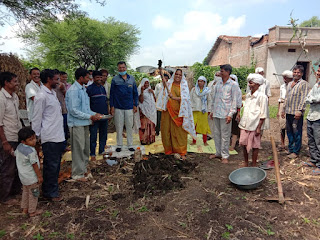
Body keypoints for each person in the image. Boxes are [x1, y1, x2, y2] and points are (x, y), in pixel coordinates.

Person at [32, 69, 65, 201]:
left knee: (56, 165)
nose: (58, 82)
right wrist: (35, 138)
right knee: (51, 165)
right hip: (49, 136)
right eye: (56, 79)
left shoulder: (52, 93)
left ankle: (52, 189)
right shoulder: (41, 96)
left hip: (58, 135)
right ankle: (49, 193)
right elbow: (36, 118)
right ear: (49, 79)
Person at [66, 68, 102, 181]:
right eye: (87, 77)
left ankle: (84, 169)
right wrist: (90, 116)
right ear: (80, 78)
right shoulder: (73, 91)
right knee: (78, 149)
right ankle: (77, 174)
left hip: (84, 123)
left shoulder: (82, 90)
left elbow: (86, 109)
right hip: (76, 124)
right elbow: (73, 111)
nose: (89, 79)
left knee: (85, 148)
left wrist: (95, 114)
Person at [156, 68, 196, 160]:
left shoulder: (184, 86)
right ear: (174, 75)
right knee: (166, 131)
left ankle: (181, 151)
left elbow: (186, 99)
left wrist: (174, 98)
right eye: (176, 74)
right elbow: (162, 96)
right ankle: (169, 150)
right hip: (167, 112)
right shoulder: (168, 84)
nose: (178, 76)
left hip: (179, 113)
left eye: (180, 75)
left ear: (182, 76)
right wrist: (167, 96)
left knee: (180, 133)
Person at [0, 72, 22, 205]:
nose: (17, 83)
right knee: (7, 168)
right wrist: (4, 142)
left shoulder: (14, 97)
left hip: (16, 135)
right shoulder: (1, 99)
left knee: (17, 166)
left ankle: (14, 192)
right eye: (14, 81)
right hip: (8, 137)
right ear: (6, 83)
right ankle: (5, 197)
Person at [209, 64, 238, 163]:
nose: (220, 73)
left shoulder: (233, 85)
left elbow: (234, 100)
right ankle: (218, 153)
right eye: (220, 71)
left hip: (226, 114)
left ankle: (225, 156)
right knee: (216, 134)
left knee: (225, 135)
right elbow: (214, 99)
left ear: (228, 72)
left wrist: (231, 114)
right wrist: (212, 111)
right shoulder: (218, 84)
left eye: (222, 71)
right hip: (216, 112)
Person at [239, 73, 268, 167]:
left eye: (251, 83)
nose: (249, 85)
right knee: (243, 144)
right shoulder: (248, 96)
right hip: (245, 123)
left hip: (255, 125)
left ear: (257, 84)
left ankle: (254, 163)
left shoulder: (262, 97)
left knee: (255, 146)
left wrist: (259, 127)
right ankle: (246, 162)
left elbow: (263, 114)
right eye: (249, 83)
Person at [110, 61, 138, 152]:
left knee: (129, 126)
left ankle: (130, 144)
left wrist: (135, 104)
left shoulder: (132, 79)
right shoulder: (115, 80)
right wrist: (112, 106)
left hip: (129, 107)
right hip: (118, 107)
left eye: (123, 67)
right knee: (119, 126)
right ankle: (119, 145)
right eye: (120, 68)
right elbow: (112, 94)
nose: (122, 69)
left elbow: (135, 93)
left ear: (126, 68)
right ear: (118, 69)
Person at [281, 65, 309, 159]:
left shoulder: (303, 84)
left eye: (298, 72)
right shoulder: (290, 84)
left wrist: (299, 111)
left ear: (302, 74)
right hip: (288, 111)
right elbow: (286, 97)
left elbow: (304, 98)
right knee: (289, 132)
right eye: (294, 72)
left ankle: (296, 151)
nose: (296, 74)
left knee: (296, 132)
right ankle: (291, 149)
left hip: (296, 112)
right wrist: (283, 109)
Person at [15, 127, 42, 216]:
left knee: (25, 192)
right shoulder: (30, 151)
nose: (34, 141)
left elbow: (14, 154)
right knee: (34, 194)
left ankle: (25, 209)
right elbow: (34, 165)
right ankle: (32, 211)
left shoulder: (19, 147)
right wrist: (39, 176)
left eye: (34, 138)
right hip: (31, 177)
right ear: (23, 141)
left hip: (23, 177)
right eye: (31, 139)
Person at [86, 70, 109, 161]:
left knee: (103, 134)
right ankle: (92, 153)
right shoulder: (89, 89)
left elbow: (105, 101)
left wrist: (107, 113)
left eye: (100, 77)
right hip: (94, 117)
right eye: (97, 77)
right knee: (93, 136)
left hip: (104, 116)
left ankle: (102, 150)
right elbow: (86, 104)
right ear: (93, 78)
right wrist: (90, 116)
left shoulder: (103, 88)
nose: (99, 79)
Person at [304, 66, 320, 174]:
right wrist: (311, 99)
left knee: (319, 141)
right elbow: (308, 98)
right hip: (311, 116)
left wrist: (311, 99)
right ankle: (314, 160)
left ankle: (319, 165)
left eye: (319, 71)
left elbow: (317, 99)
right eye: (318, 70)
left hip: (319, 117)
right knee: (311, 140)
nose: (317, 73)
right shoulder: (316, 85)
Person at [190, 76, 211, 145]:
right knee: (194, 126)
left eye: (202, 81)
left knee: (204, 126)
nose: (200, 83)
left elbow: (209, 101)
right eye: (199, 81)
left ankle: (205, 141)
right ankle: (194, 141)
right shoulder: (193, 90)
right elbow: (190, 99)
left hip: (203, 111)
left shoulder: (207, 91)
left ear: (204, 82)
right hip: (195, 110)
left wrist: (209, 110)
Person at [277, 70, 293, 151]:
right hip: (282, 105)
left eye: (286, 78)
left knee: (291, 126)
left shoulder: (294, 86)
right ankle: (282, 143)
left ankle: (291, 144)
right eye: (284, 78)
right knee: (282, 126)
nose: (284, 79)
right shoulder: (282, 86)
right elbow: (280, 99)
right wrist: (278, 111)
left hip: (290, 105)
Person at [138, 78, 157, 145]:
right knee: (144, 126)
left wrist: (153, 93)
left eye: (147, 83)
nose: (146, 84)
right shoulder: (140, 91)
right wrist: (142, 91)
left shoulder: (150, 91)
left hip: (151, 111)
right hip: (144, 111)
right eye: (145, 83)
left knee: (151, 125)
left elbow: (155, 100)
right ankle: (144, 140)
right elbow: (141, 101)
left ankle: (151, 139)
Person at [54, 71, 69, 152]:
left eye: (66, 77)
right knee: (59, 129)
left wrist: (63, 89)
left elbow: (66, 96)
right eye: (63, 77)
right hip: (56, 112)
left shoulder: (63, 86)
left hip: (64, 110)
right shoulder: (52, 86)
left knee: (65, 129)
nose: (64, 79)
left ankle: (64, 146)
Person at [229, 74, 242, 151]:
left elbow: (239, 103)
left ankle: (233, 145)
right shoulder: (226, 89)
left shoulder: (238, 91)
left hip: (234, 111)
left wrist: (238, 113)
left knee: (234, 129)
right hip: (226, 111)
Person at [207, 71, 221, 140]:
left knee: (217, 121)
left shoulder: (222, 84)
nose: (217, 76)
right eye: (216, 75)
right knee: (210, 120)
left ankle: (217, 135)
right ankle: (210, 134)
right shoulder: (210, 83)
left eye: (219, 75)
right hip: (210, 103)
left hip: (218, 105)